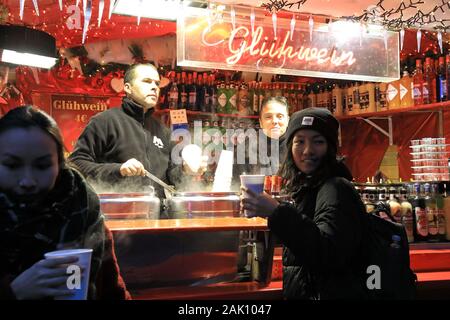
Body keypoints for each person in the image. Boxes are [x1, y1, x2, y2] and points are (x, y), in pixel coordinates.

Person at [0, 106, 130, 300]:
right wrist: (13, 292)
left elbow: (111, 287)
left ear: (59, 164)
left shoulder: (82, 204)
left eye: (42, 166)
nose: (27, 181)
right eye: (12, 165)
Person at [240, 107, 367, 299]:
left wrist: (276, 212)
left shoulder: (336, 187)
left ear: (330, 147)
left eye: (318, 142)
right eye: (300, 141)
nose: (307, 151)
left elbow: (328, 253)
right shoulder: (307, 187)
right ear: (290, 147)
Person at [68, 63, 205, 198]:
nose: (154, 87)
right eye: (146, 81)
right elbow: (76, 164)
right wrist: (119, 170)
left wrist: (185, 170)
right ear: (128, 88)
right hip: (118, 213)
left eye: (157, 84)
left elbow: (170, 179)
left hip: (157, 214)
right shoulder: (104, 122)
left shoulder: (162, 131)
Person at [232, 96, 289, 186]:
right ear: (261, 122)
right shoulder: (244, 149)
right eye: (268, 117)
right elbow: (235, 186)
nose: (275, 121)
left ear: (288, 120)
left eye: (280, 116)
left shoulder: (297, 147)